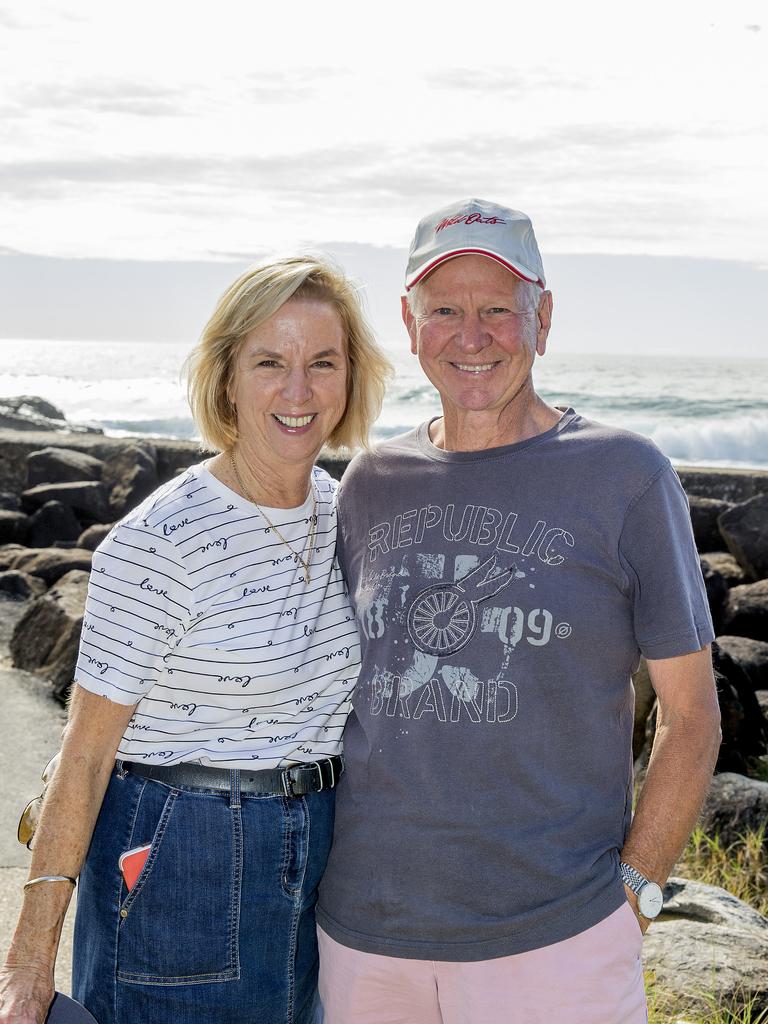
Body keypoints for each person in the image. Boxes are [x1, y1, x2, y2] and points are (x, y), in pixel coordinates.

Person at [315, 199, 722, 1023]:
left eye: (499, 308)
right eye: (446, 311)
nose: (473, 336)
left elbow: (691, 715)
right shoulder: (368, 484)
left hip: (557, 944)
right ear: (410, 323)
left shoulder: (627, 476)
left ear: (543, 319)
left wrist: (633, 895)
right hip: (363, 936)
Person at [0, 255, 390, 1024]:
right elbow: (83, 753)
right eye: (269, 362)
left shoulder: (337, 506)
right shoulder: (161, 542)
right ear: (226, 381)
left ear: (352, 377)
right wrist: (28, 961)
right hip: (183, 862)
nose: (298, 390)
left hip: (313, 864)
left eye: (323, 362)